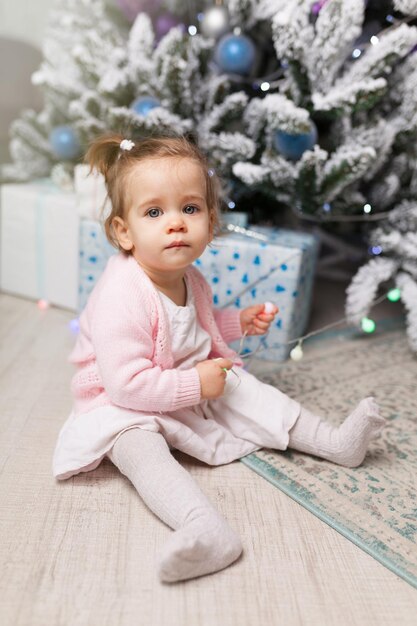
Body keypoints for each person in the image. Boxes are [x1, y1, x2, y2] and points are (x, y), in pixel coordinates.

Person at [53, 133, 386, 584]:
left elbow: (193, 327)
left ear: (210, 222)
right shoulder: (121, 297)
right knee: (138, 449)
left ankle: (334, 443)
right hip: (122, 402)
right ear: (123, 231)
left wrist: (237, 323)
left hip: (182, 379)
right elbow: (125, 385)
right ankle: (204, 528)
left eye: (189, 209)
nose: (176, 223)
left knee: (250, 390)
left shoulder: (189, 277)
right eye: (154, 212)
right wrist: (195, 385)